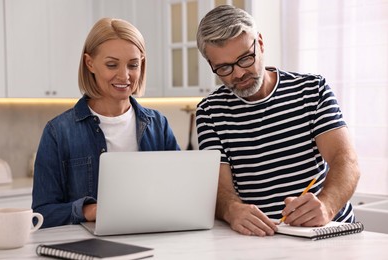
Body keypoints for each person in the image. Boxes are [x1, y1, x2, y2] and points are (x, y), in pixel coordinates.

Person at [195, 5, 360, 237]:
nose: (238, 74)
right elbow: (220, 189)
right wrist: (232, 210)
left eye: (245, 59)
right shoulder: (210, 111)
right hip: (264, 239)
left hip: (328, 232)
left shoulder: (312, 90)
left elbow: (346, 160)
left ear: (260, 43)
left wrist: (327, 205)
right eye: (223, 67)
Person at [32, 18, 180, 228]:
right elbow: (41, 213)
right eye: (112, 65)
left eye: (133, 65)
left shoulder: (159, 125)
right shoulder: (58, 132)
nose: (124, 75)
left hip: (153, 241)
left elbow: (180, 193)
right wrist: (89, 210)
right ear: (89, 63)